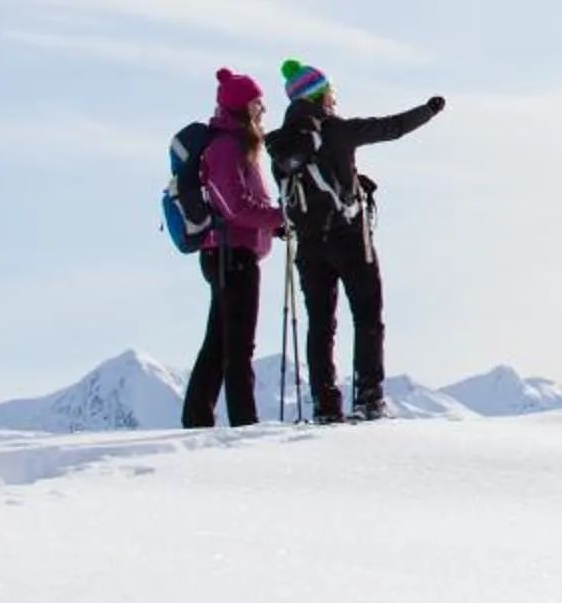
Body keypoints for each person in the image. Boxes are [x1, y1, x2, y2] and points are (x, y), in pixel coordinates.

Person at [270, 59, 445, 422]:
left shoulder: (282, 146)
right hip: (349, 237)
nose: (334, 100)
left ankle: (325, 404)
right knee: (366, 316)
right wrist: (429, 110)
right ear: (320, 96)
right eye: (331, 93)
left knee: (321, 325)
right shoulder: (337, 131)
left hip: (308, 246)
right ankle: (368, 398)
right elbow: (392, 127)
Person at [180, 68, 287, 430]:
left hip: (229, 252)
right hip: (232, 254)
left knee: (221, 342)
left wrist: (275, 223)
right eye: (258, 103)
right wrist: (280, 218)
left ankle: (198, 419)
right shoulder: (226, 147)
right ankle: (244, 421)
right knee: (238, 345)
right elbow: (235, 207)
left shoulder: (236, 143)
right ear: (242, 107)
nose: (263, 109)